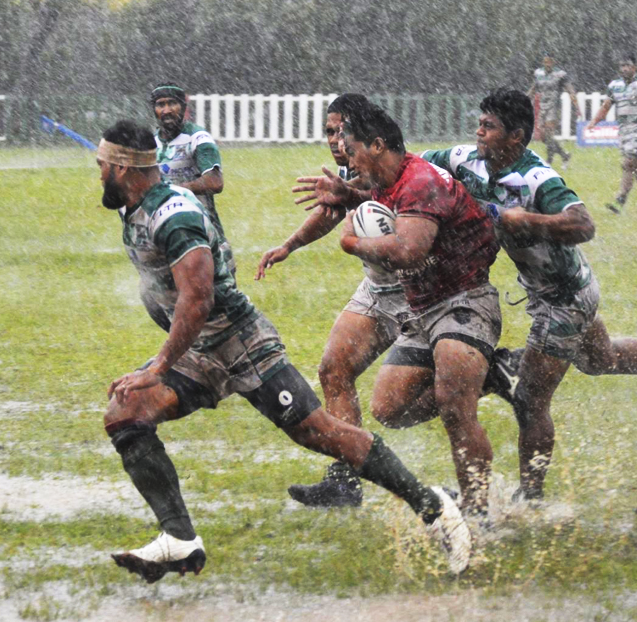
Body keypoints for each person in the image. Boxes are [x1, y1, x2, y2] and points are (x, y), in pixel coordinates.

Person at [97, 120, 472, 581]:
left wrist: (158, 366)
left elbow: (198, 299)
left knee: (318, 433)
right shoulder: (136, 203)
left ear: (121, 168)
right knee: (124, 410)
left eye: (102, 166)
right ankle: (179, 538)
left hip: (239, 342)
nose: (98, 174)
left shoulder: (172, 215)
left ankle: (434, 506)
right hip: (199, 347)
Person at [422, 88, 637, 501]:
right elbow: (416, 167)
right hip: (557, 290)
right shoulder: (466, 160)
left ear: (515, 136)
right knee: (602, 358)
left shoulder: (537, 178)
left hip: (566, 298)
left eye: (489, 126)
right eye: (479, 123)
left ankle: (530, 498)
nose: (479, 132)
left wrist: (527, 220)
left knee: (531, 397)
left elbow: (583, 225)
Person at [298, 99, 503, 520]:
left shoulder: (419, 181)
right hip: (421, 307)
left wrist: (353, 242)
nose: (345, 158)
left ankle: (479, 513)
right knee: (389, 410)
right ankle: (488, 376)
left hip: (463, 301)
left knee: (453, 406)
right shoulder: (385, 177)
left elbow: (409, 251)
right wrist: (347, 193)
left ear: (376, 145)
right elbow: (368, 196)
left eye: (350, 149)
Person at [255, 94, 413, 508]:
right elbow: (332, 210)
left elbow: (364, 201)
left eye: (339, 131)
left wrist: (350, 199)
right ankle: (345, 479)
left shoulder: (390, 164)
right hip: (377, 290)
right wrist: (288, 246)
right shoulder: (351, 167)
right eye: (328, 132)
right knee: (333, 368)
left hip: (418, 294)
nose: (333, 139)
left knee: (416, 400)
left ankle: (490, 370)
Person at [150, 84, 236, 273]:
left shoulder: (198, 138)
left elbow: (215, 182)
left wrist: (172, 190)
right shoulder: (150, 144)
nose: (166, 110)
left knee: (224, 292)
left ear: (183, 106)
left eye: (172, 103)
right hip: (166, 229)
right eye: (160, 104)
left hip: (203, 226)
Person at [585, 55, 637, 214]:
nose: (624, 69)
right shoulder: (614, 86)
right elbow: (606, 106)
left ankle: (620, 200)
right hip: (623, 131)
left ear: (635, 67)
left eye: (628, 66)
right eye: (622, 66)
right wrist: (594, 122)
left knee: (628, 163)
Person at [529, 53, 578, 169]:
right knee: (543, 137)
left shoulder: (559, 75)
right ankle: (564, 155)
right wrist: (525, 100)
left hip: (554, 107)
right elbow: (534, 88)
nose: (547, 64)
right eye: (545, 62)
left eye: (549, 62)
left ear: (553, 62)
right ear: (543, 62)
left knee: (549, 133)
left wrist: (574, 99)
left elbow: (569, 88)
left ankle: (549, 161)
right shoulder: (538, 73)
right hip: (542, 106)